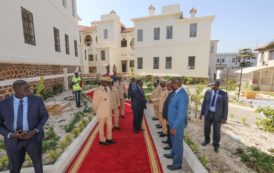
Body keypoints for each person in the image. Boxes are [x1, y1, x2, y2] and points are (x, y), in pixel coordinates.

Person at [0, 80, 49, 173]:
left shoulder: (37, 100)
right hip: (13, 141)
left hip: (33, 139)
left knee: (38, 165)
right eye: (25, 88)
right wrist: (11, 134)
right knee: (14, 167)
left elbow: (44, 116)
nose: (29, 90)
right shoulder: (3, 104)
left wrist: (34, 131)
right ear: (15, 90)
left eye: (28, 87)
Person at [164, 78, 189, 171]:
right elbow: (172, 108)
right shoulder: (176, 92)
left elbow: (181, 114)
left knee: (177, 144)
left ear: (176, 84)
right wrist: (168, 120)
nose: (170, 85)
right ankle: (172, 154)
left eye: (172, 83)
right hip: (172, 122)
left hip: (177, 125)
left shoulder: (182, 95)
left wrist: (174, 127)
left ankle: (177, 163)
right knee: (173, 141)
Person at [200, 80, 228, 153]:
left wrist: (224, 118)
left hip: (217, 115)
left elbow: (225, 107)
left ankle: (216, 145)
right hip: (208, 113)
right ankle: (206, 140)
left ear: (218, 86)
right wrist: (201, 113)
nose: (212, 86)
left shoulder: (223, 94)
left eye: (214, 85)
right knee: (206, 128)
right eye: (212, 85)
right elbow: (204, 103)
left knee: (216, 130)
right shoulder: (208, 92)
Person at [92, 77, 116, 145]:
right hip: (101, 112)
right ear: (102, 82)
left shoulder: (108, 89)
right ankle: (102, 140)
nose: (108, 83)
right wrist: (94, 111)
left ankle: (109, 138)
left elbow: (109, 100)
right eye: (106, 82)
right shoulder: (97, 91)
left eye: (108, 82)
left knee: (109, 126)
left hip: (108, 112)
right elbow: (94, 104)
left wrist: (112, 109)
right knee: (101, 127)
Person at [162, 81, 174, 150]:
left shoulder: (173, 93)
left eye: (168, 86)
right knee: (168, 128)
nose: (167, 87)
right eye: (166, 86)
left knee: (169, 130)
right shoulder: (170, 93)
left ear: (171, 86)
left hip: (169, 116)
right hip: (167, 115)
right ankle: (168, 140)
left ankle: (170, 144)